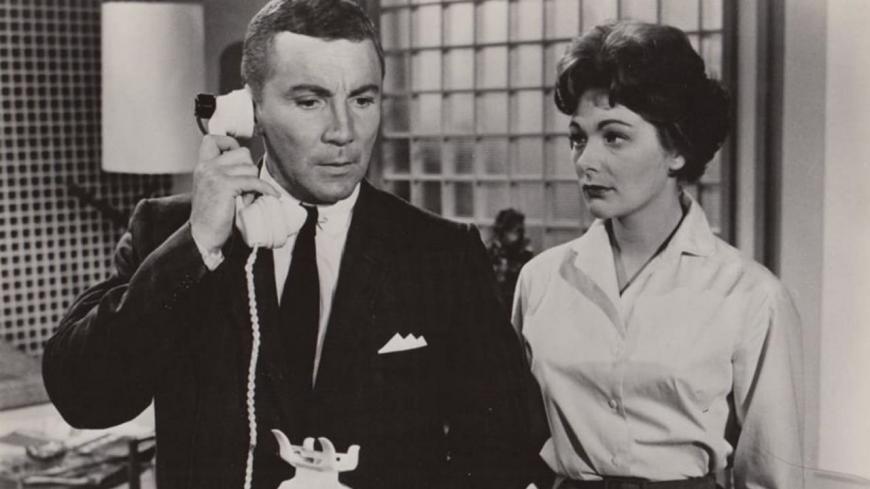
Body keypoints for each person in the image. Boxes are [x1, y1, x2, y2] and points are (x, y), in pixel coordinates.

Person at [42, 1, 544, 488]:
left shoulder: (441, 253)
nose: (344, 132)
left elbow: (506, 443)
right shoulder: (167, 233)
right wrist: (198, 246)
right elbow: (84, 398)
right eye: (310, 101)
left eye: (362, 100)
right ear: (251, 110)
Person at [512, 21, 805, 489]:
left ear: (677, 149)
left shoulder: (751, 296)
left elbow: (772, 477)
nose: (586, 161)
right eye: (578, 138)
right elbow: (512, 436)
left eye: (614, 137)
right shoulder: (541, 280)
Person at [487, 208, 534, 314]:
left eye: (519, 230)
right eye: (514, 230)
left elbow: (526, 274)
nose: (517, 234)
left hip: (516, 298)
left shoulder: (524, 249)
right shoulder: (493, 248)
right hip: (495, 300)